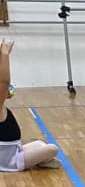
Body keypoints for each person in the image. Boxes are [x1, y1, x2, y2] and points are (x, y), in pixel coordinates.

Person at [0, 40, 60, 172]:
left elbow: (3, 83)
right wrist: (4, 54)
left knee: (40, 143)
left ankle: (42, 160)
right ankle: (43, 160)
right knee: (52, 149)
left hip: (13, 150)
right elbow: (4, 81)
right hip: (10, 161)